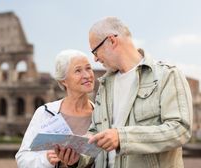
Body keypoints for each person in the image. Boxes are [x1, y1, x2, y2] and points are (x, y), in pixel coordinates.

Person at [57, 17, 193, 168]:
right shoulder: (104, 85)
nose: (95, 59)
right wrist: (77, 158)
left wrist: (122, 138)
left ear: (112, 41)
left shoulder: (167, 75)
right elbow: (95, 133)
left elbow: (180, 129)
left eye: (95, 51)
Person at [15, 49, 95, 168]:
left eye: (88, 68)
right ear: (63, 80)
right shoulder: (45, 113)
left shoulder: (101, 114)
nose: (87, 75)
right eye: (78, 70)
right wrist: (46, 160)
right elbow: (22, 158)